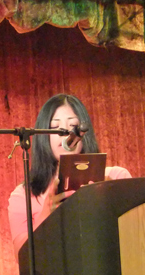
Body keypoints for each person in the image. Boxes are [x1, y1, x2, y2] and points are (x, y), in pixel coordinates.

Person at [7, 94, 131, 261]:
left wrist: (114, 199)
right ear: (43, 135)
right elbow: (23, 259)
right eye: (55, 127)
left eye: (73, 125)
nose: (65, 133)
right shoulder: (23, 195)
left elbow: (135, 237)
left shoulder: (117, 176)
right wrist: (45, 217)